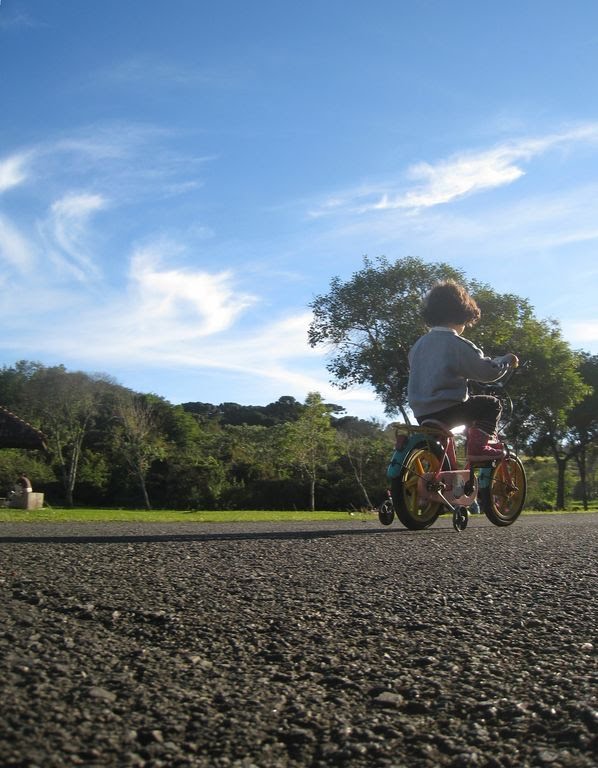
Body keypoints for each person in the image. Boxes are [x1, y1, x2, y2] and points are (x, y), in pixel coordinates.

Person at [407, 281, 519, 460]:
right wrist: (504, 361)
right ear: (461, 315)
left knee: (446, 445)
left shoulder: (418, 346)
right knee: (491, 404)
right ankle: (478, 448)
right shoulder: (456, 344)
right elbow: (486, 372)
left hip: (422, 413)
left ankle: (447, 475)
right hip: (449, 412)